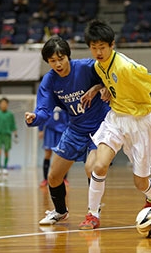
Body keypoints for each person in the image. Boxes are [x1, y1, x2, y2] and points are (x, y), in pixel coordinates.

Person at [78, 19, 151, 230]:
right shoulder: (98, 66)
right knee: (98, 166)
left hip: (140, 124)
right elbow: (108, 78)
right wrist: (98, 88)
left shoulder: (127, 67)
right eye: (94, 48)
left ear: (112, 45)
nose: (98, 52)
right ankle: (92, 214)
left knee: (140, 182)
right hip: (115, 119)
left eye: (102, 47)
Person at [25, 35, 110, 225]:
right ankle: (60, 212)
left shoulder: (87, 67)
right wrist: (35, 118)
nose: (58, 64)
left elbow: (110, 77)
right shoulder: (50, 81)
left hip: (101, 126)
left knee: (92, 168)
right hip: (76, 128)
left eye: (61, 59)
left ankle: (93, 213)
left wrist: (99, 87)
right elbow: (44, 110)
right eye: (52, 61)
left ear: (68, 56)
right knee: (54, 176)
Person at [38, 106, 69, 187]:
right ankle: (45, 179)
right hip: (49, 129)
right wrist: (40, 129)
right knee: (47, 154)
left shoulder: (64, 97)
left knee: (62, 154)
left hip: (62, 130)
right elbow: (42, 112)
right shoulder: (49, 98)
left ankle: (64, 178)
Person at [0, 97, 18, 175]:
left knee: (6, 151)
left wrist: (16, 135)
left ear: (7, 104)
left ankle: (5, 167)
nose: (3, 105)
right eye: (2, 103)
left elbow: (13, 125)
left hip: (7, 135)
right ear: (0, 105)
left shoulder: (10, 114)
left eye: (5, 103)